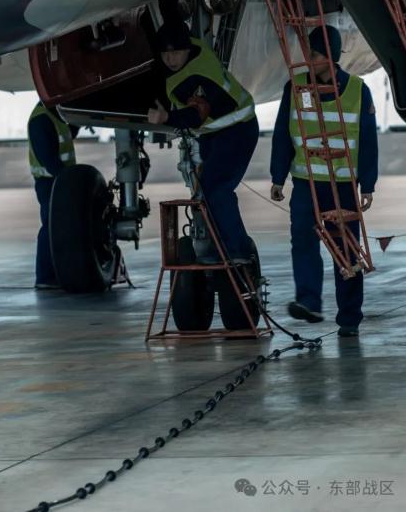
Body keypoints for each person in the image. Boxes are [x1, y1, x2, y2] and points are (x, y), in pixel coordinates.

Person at [270, 25, 378, 337]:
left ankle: (349, 317)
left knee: (346, 251)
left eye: (314, 54)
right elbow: (282, 133)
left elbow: (369, 141)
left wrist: (367, 184)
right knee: (302, 242)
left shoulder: (358, 90)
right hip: (306, 183)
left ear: (329, 57)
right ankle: (309, 302)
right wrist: (278, 176)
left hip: (342, 187)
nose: (308, 60)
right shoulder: (295, 88)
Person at [148, 20, 259, 263]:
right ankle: (222, 245)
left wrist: (167, 118)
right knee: (208, 189)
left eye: (176, 52)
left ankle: (237, 252)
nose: (170, 59)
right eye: (165, 53)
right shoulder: (196, 48)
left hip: (236, 130)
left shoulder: (196, 77)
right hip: (216, 132)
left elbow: (197, 114)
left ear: (186, 49)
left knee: (216, 189)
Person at [27, 101, 78, 289]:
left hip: (58, 180)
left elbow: (66, 137)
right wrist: (66, 180)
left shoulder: (55, 115)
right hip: (50, 182)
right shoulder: (41, 118)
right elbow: (47, 157)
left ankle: (56, 274)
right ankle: (45, 277)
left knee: (58, 227)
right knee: (50, 227)